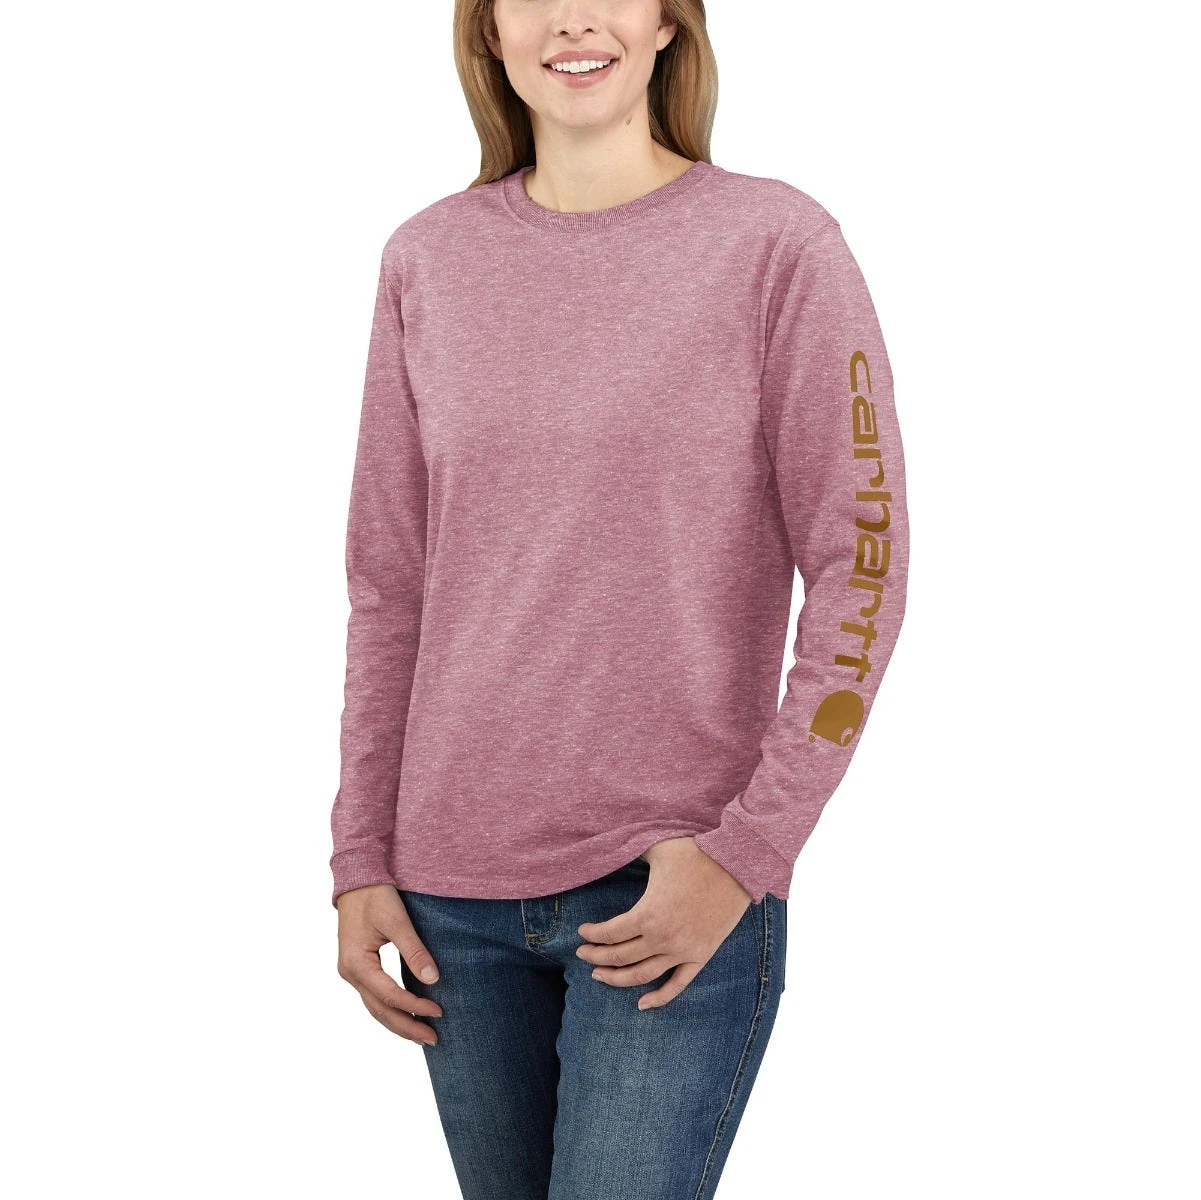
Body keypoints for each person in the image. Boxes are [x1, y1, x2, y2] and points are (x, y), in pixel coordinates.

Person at [329, 2, 909, 1196]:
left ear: (667, 24)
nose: (572, 20)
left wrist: (748, 852)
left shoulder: (776, 246)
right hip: (451, 902)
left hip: (671, 885)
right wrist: (360, 853)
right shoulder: (426, 259)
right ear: (489, 32)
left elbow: (864, 564)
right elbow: (390, 584)